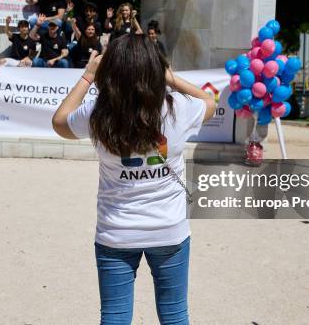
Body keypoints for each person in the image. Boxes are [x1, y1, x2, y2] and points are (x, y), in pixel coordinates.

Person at [52, 34, 216, 324]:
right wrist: (170, 77)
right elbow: (208, 100)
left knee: (114, 317)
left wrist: (88, 76)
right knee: (175, 315)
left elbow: (59, 122)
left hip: (116, 231)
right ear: (156, 69)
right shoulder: (177, 108)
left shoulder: (98, 114)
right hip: (169, 229)